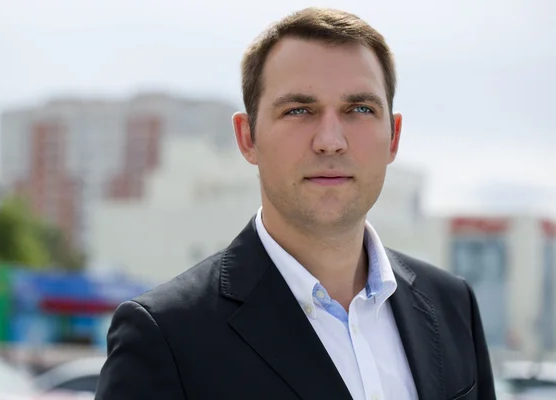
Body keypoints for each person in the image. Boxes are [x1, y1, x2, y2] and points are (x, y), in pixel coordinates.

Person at [95, 7, 495, 400]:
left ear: (393, 136)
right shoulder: (166, 335)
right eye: (299, 110)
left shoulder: (452, 305)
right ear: (247, 137)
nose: (330, 140)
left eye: (360, 109)